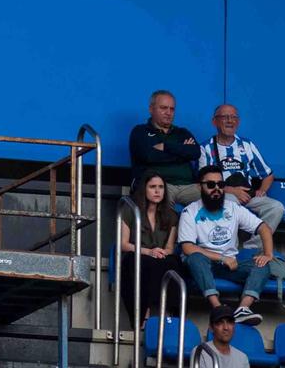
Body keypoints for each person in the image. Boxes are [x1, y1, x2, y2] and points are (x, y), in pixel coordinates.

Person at [177, 166, 274, 324]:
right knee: (195, 257)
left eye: (220, 185)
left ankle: (243, 309)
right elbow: (187, 248)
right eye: (210, 185)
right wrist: (221, 257)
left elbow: (264, 228)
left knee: (262, 265)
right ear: (199, 186)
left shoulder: (233, 207)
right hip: (203, 264)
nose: (216, 189)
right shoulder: (190, 211)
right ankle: (217, 307)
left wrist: (268, 254)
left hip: (230, 265)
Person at [198, 106, 285, 230]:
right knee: (228, 203)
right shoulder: (205, 148)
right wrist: (232, 190)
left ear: (238, 122)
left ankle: (254, 247)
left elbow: (268, 174)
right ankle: (229, 247)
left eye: (234, 117)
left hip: (248, 195)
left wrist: (262, 190)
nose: (230, 120)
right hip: (224, 194)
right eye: (225, 117)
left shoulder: (247, 145)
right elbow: (203, 183)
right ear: (214, 121)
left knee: (277, 207)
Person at [117, 171, 183, 317]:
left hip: (160, 256)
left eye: (161, 187)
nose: (157, 191)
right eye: (152, 187)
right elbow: (123, 244)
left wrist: (161, 253)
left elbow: (170, 248)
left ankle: (169, 315)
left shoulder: (171, 215)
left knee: (173, 263)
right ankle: (143, 315)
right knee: (142, 263)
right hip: (137, 254)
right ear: (144, 189)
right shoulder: (130, 210)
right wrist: (148, 252)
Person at [130, 92, 202, 204]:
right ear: (151, 109)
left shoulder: (182, 132)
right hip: (159, 186)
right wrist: (183, 152)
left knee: (215, 199)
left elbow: (195, 152)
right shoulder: (140, 131)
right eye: (163, 108)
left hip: (189, 186)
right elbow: (149, 156)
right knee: (161, 201)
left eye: (172, 109)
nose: (168, 113)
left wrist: (165, 147)